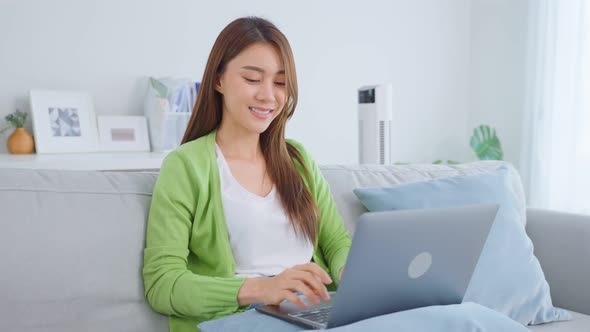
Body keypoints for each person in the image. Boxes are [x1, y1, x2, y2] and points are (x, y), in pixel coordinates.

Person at [142, 16, 351, 332]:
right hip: (240, 319)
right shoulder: (185, 166)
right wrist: (261, 288)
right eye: (253, 79)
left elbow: (336, 241)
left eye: (280, 83)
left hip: (311, 314)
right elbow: (163, 284)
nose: (269, 95)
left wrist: (348, 270)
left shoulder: (298, 160)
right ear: (219, 80)